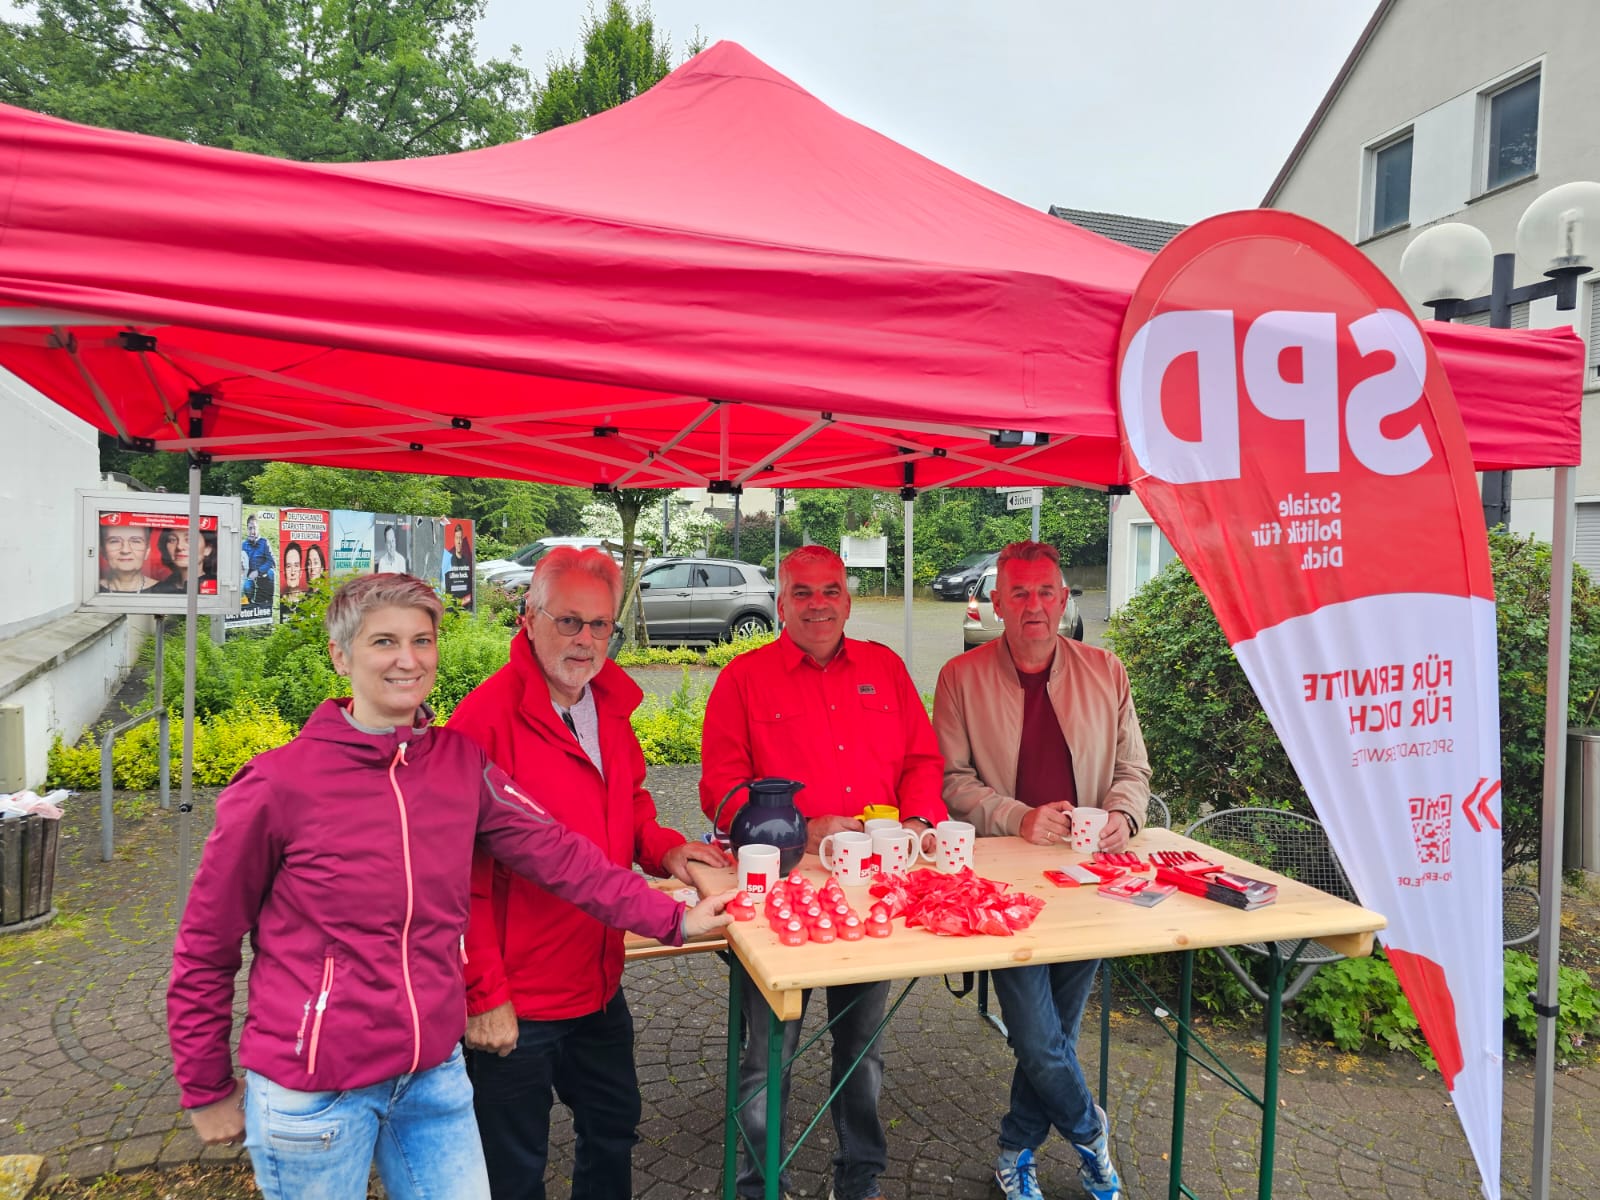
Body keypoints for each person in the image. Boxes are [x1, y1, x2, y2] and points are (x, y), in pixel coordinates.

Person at [167, 573, 733, 1200]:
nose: (407, 660)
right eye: (384, 641)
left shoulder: (459, 765)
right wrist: (206, 1085)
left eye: (422, 640)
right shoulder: (278, 786)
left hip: (431, 1076)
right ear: (340, 654)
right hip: (316, 1086)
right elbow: (205, 946)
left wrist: (675, 919)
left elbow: (560, 855)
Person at [450, 547, 729, 1200]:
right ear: (528, 619)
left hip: (598, 978)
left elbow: (628, 804)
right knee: (512, 1168)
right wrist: (484, 993)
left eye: (600, 624)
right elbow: (458, 879)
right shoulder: (484, 722)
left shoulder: (605, 705)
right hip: (519, 995)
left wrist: (669, 851)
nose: (585, 640)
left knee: (614, 1124)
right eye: (569, 621)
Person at [700, 544, 945, 1200]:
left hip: (870, 892)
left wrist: (919, 824)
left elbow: (923, 760)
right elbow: (719, 791)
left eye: (830, 590)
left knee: (863, 1051)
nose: (818, 604)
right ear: (782, 604)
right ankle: (756, 1185)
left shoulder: (885, 668)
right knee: (767, 1054)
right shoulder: (743, 680)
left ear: (848, 599)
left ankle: (859, 1179)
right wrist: (801, 832)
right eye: (802, 593)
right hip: (779, 893)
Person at [932, 541, 1150, 1200]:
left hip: (1091, 878)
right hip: (1003, 883)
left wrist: (1123, 816)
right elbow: (950, 781)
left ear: (1064, 599)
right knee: (1037, 1031)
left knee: (1054, 1033)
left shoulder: (1107, 670)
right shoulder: (959, 677)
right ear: (996, 603)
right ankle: (1089, 1131)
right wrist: (1015, 815)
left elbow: (1133, 770)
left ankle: (1014, 1152)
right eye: (1019, 594)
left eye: (1045, 593)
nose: (1033, 607)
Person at [151, 527, 218, 595]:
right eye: (172, 540)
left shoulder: (217, 588)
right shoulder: (159, 588)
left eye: (189, 540)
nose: (179, 547)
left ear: (207, 549)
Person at [98, 522, 158, 593]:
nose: (125, 550)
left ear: (147, 551)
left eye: (135, 541)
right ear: (103, 550)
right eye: (114, 541)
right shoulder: (90, 589)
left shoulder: (167, 591)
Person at [242, 515, 275, 607]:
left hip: (262, 574)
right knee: (246, 585)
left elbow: (271, 561)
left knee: (271, 573)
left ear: (258, 529)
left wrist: (258, 571)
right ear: (247, 529)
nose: (252, 531)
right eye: (250, 528)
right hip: (248, 576)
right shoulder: (244, 545)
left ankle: (267, 604)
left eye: (255, 528)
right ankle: (250, 604)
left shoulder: (264, 543)